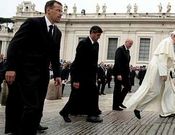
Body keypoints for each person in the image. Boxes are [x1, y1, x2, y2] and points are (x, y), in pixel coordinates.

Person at [4, 1, 62, 134]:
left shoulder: (57, 32)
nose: (61, 13)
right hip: (26, 72)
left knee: (38, 106)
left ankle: (30, 129)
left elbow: (55, 54)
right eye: (58, 10)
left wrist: (58, 74)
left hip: (42, 75)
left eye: (61, 11)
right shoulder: (33, 23)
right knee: (30, 106)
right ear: (48, 10)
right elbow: (14, 44)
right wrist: (11, 68)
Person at [125, 31, 175, 119]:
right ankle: (138, 108)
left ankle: (167, 111)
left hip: (162, 69)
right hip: (158, 69)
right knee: (155, 91)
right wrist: (163, 74)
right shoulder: (167, 42)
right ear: (174, 36)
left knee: (167, 91)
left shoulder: (169, 43)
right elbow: (162, 59)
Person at [59, 26, 103, 123]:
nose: (99, 37)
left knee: (90, 93)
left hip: (90, 75)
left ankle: (91, 113)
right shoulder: (83, 43)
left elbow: (94, 61)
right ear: (92, 32)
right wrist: (75, 80)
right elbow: (78, 62)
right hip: (80, 74)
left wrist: (95, 75)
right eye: (98, 35)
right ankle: (90, 114)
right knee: (77, 95)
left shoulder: (96, 44)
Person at [112, 39, 133, 111]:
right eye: (130, 44)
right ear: (126, 42)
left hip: (125, 74)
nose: (131, 45)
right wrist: (118, 74)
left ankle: (119, 102)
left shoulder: (127, 51)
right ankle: (115, 106)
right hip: (119, 73)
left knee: (128, 86)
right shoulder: (120, 49)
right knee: (117, 89)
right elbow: (117, 61)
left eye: (131, 44)